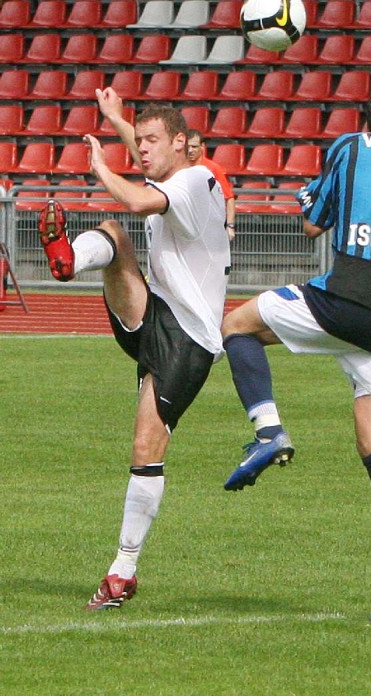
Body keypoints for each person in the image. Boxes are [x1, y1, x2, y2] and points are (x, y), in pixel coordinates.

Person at [221, 85, 371, 622]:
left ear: (370, 120)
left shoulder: (349, 145)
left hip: (346, 297)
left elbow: (314, 221)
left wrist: (308, 195)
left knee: (237, 326)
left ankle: (269, 431)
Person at [38, 88, 231, 610]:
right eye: (138, 141)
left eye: (152, 141)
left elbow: (139, 196)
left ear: (184, 144)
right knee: (114, 236)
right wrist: (119, 120)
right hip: (155, 315)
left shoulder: (193, 181)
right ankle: (66, 261)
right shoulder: (176, 168)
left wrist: (101, 165)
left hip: (188, 339)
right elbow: (149, 161)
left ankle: (123, 570)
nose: (142, 149)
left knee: (145, 451)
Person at [186, 129, 236, 242]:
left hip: (210, 226)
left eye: (194, 147)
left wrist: (230, 226)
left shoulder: (213, 168)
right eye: (187, 146)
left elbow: (229, 198)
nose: (190, 150)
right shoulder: (178, 167)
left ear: (202, 146)